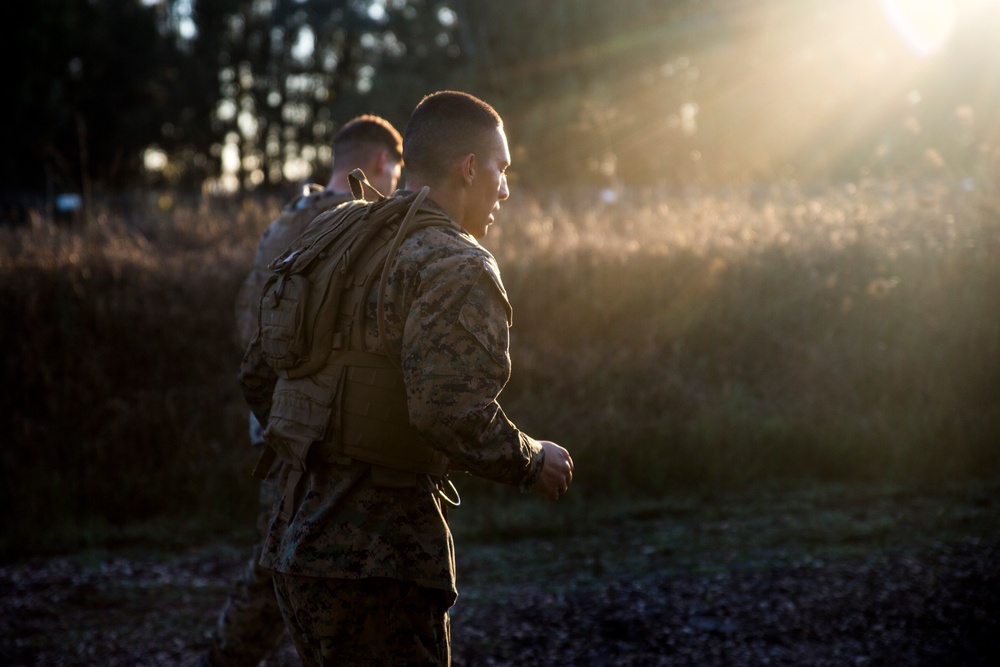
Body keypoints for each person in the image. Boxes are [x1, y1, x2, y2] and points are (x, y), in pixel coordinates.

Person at [238, 90, 574, 666]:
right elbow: (448, 411)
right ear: (470, 168)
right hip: (379, 562)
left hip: (295, 547)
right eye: (501, 168)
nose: (505, 189)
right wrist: (529, 460)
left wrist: (323, 453)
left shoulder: (338, 235)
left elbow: (259, 370)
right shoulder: (454, 262)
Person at [199, 114, 404, 667]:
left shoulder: (284, 223)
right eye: (398, 168)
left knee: (293, 554)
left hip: (274, 419)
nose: (397, 182)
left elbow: (251, 322)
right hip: (322, 426)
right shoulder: (354, 225)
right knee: (284, 563)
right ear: (383, 162)